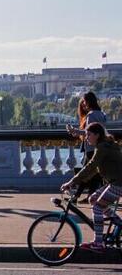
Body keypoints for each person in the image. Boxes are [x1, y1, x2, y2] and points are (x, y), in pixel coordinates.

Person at [60, 123, 122, 252]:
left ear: (97, 135)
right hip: (115, 182)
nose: (86, 137)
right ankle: (119, 223)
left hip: (119, 184)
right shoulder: (106, 144)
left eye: (88, 134)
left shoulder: (102, 147)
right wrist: (78, 182)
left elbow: (91, 166)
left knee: (97, 207)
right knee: (93, 199)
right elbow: (94, 169)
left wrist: (71, 182)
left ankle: (98, 243)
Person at [69, 92, 107, 202]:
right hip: (100, 146)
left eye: (85, 102)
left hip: (91, 148)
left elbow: (88, 132)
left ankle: (76, 197)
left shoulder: (90, 115)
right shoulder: (101, 114)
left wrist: (75, 131)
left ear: (89, 102)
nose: (84, 104)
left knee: (84, 173)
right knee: (95, 175)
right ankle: (90, 195)